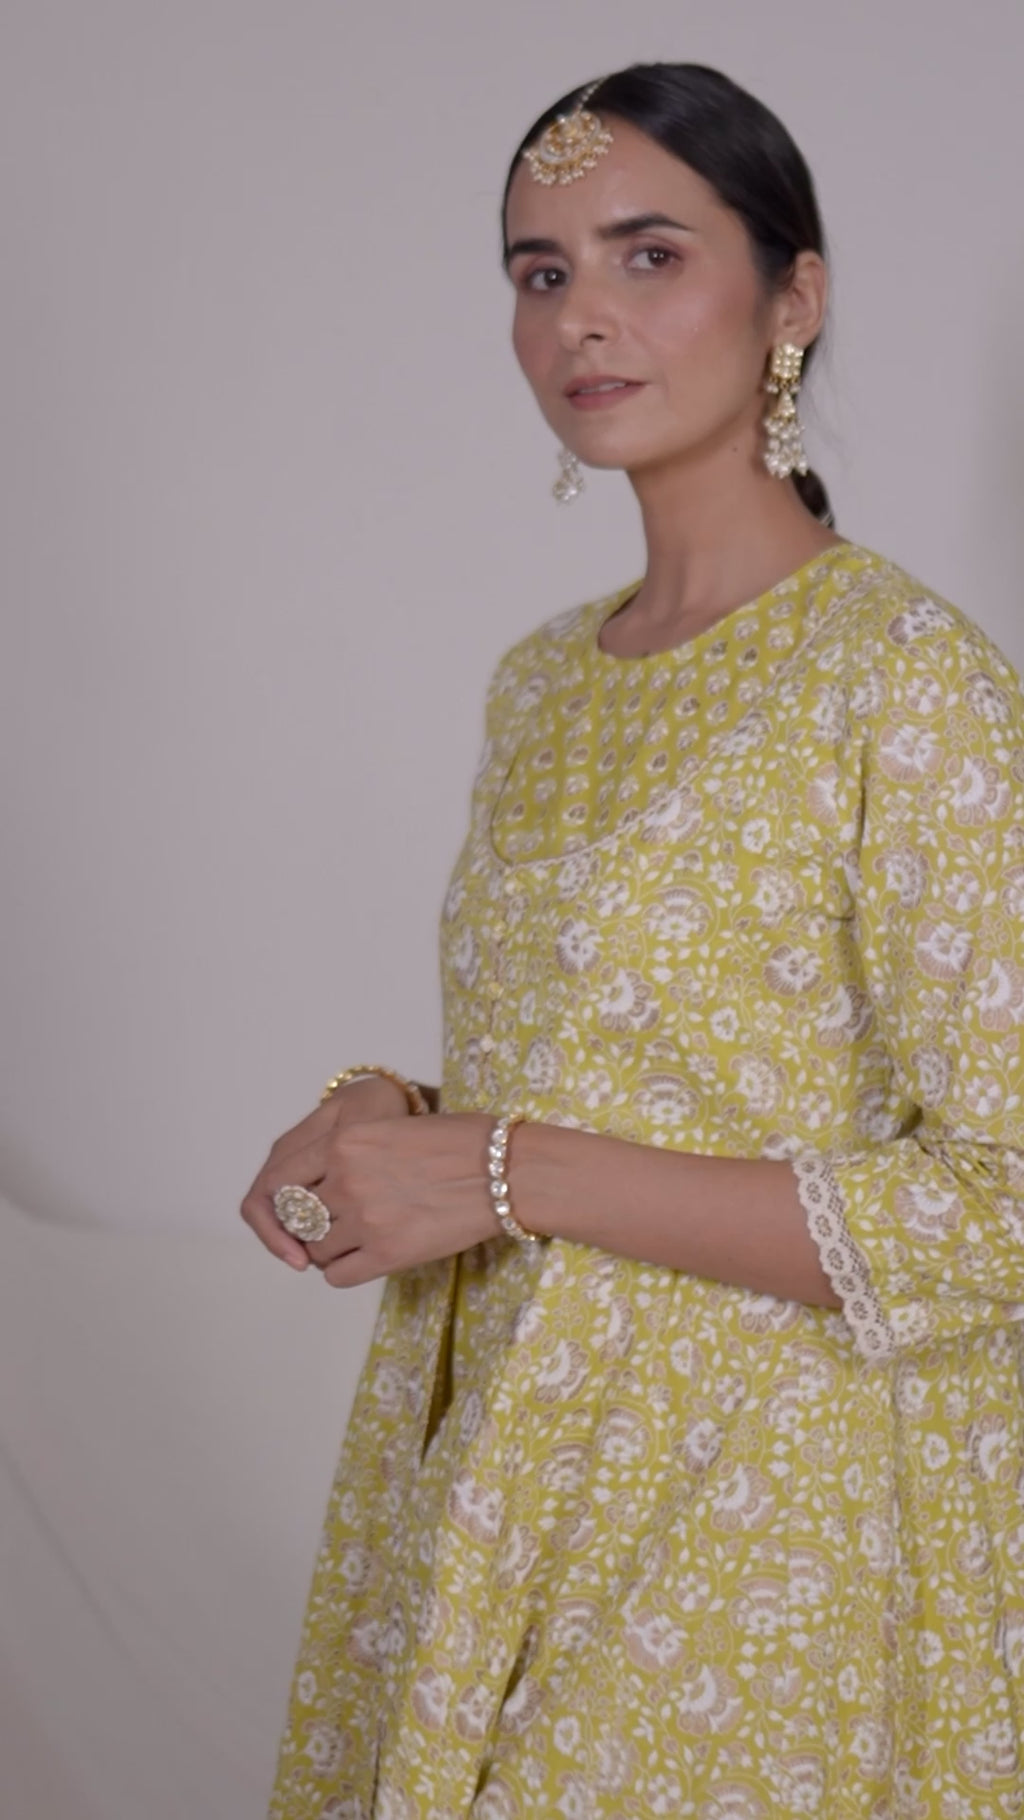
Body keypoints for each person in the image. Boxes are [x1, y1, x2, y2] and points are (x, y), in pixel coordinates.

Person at [245, 61, 1024, 1820]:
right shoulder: (543, 680)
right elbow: (634, 1062)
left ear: (793, 298)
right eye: (542, 272)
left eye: (648, 255)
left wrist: (502, 1170)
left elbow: (1005, 1200)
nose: (581, 317)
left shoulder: (907, 682)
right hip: (513, 1461)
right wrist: (394, 1113)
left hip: (765, 1509)